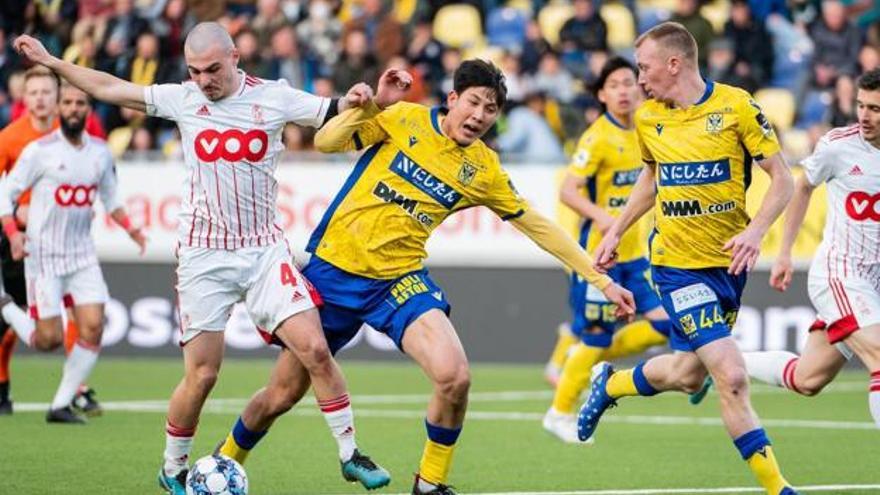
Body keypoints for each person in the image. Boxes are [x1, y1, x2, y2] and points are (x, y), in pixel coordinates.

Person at [215, 62, 636, 495]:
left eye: (490, 109)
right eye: (473, 102)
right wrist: (373, 104)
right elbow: (326, 141)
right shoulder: (403, 118)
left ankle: (430, 483)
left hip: (399, 281)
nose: (479, 115)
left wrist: (601, 280)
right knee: (281, 395)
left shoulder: (483, 169)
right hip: (333, 273)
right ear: (453, 99)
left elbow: (538, 225)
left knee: (455, 377)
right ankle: (223, 462)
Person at [14, 22, 390, 495]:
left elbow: (334, 109)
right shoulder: (183, 99)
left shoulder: (273, 96)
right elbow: (112, 87)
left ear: (235, 56)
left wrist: (360, 98)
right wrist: (52, 62)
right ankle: (172, 467)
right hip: (203, 255)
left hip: (263, 250)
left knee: (315, 348)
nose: (204, 80)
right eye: (195, 71)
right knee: (203, 375)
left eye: (212, 69)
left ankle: (350, 453)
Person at [578, 23, 799, 495]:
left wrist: (756, 231)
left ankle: (611, 384)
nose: (639, 80)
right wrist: (616, 230)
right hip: (675, 266)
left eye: (644, 67)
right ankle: (780, 489)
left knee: (686, 373)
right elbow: (651, 180)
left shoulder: (737, 106)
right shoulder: (649, 119)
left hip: (727, 267)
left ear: (674, 64)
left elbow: (783, 180)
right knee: (732, 375)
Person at [541, 57, 675, 444]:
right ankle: (560, 411)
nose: (624, 90)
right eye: (614, 84)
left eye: (629, 82)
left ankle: (581, 362)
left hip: (637, 254)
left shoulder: (649, 127)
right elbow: (568, 190)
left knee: (663, 324)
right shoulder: (597, 136)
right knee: (598, 336)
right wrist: (602, 217)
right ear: (601, 94)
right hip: (601, 255)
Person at [742, 68, 880, 429]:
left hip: (873, 286)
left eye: (875, 109)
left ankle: (726, 362)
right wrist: (785, 252)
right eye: (861, 106)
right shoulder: (838, 146)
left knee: (808, 379)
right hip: (841, 274)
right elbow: (803, 187)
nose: (864, 116)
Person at [0, 82, 145, 424]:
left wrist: (131, 229)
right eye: (68, 103)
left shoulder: (99, 152)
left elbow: (111, 198)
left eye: (80, 102)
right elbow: (6, 194)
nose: (74, 108)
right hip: (44, 256)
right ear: (59, 109)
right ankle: (6, 307)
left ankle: (61, 403)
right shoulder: (39, 151)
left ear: (88, 109)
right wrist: (12, 234)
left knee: (93, 326)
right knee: (47, 340)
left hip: (82, 255)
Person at [0, 66, 102, 417]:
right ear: (24, 99)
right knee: (29, 327)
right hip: (22, 242)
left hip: (67, 244)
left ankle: (75, 390)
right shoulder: (10, 139)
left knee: (83, 314)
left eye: (47, 92)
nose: (41, 99)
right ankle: (2, 385)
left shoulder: (75, 139)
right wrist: (16, 219)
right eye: (35, 93)